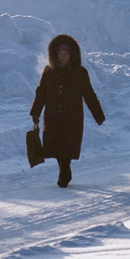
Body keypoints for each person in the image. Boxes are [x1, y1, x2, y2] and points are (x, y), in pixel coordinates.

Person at [31, 33, 105, 188]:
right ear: (55, 54)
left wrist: (98, 114)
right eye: (61, 53)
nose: (63, 57)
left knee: (67, 146)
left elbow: (89, 95)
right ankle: (63, 169)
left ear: (72, 55)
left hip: (73, 117)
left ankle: (65, 170)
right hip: (53, 116)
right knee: (56, 146)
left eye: (66, 54)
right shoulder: (48, 72)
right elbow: (41, 93)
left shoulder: (80, 72)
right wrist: (35, 112)